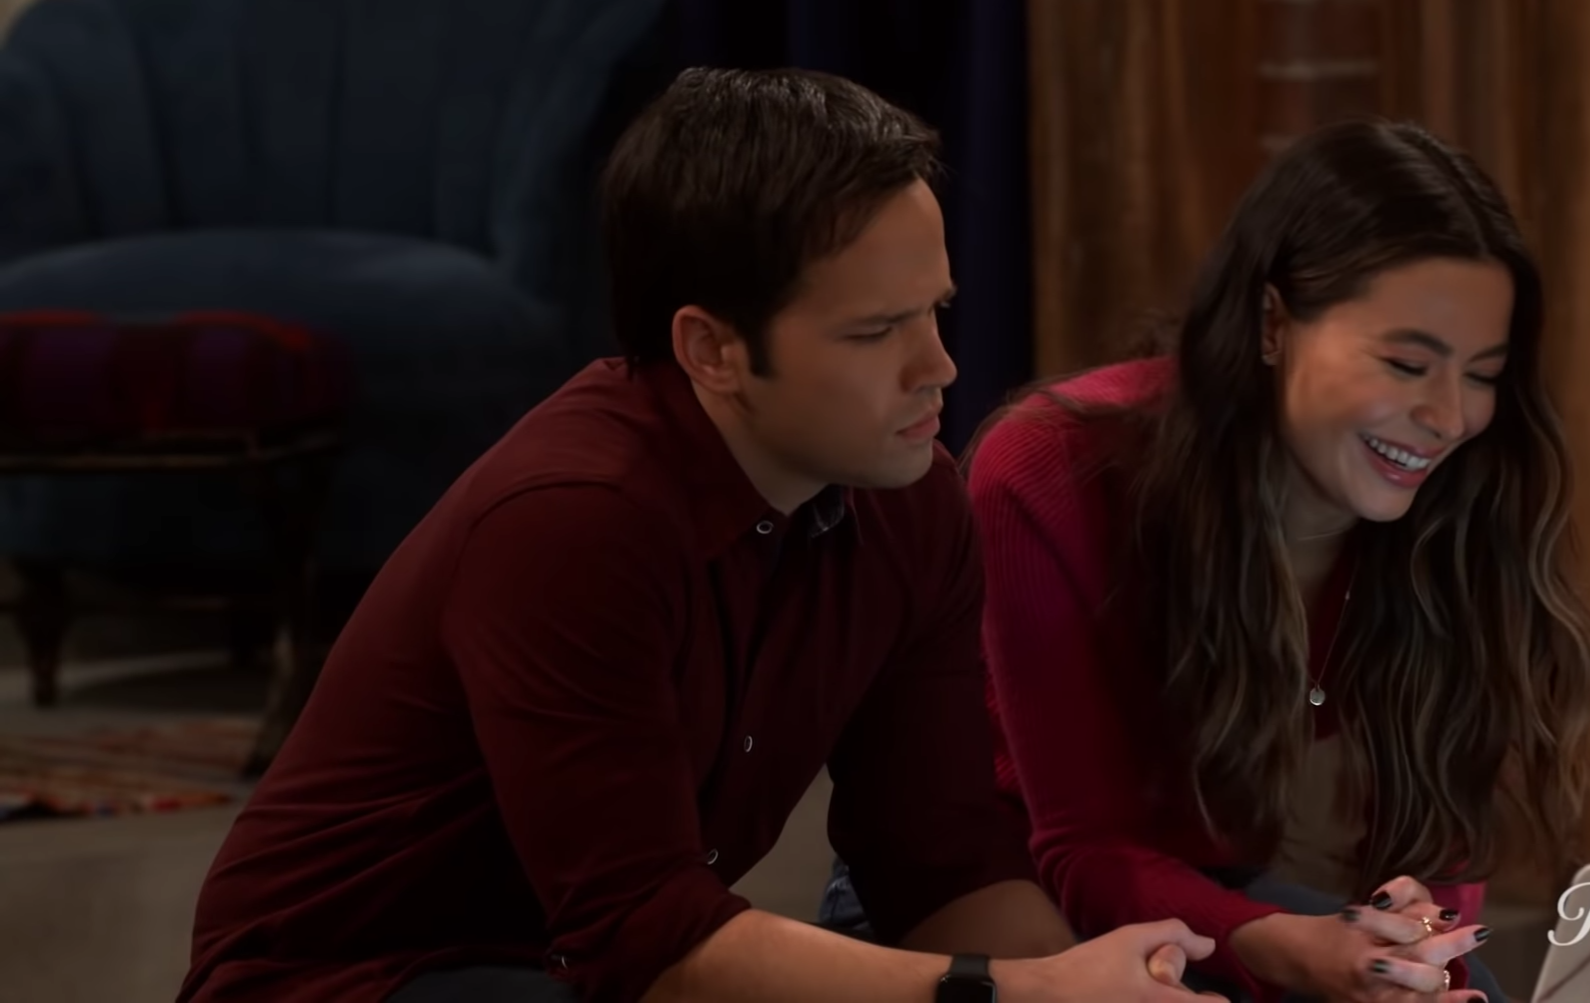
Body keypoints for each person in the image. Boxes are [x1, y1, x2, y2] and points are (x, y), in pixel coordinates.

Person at [176, 68, 1223, 1003]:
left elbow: (942, 864)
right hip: (349, 975)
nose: (938, 367)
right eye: (875, 331)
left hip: (587, 968)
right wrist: (1015, 994)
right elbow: (646, 942)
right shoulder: (574, 521)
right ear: (712, 349)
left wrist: (1078, 990)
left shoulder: (910, 498)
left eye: (935, 311)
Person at [822, 118, 1590, 1002]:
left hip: (1219, 897)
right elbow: (1083, 848)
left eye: (1483, 374)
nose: (1449, 417)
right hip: (993, 902)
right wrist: (1291, 950)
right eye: (1405, 363)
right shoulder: (1053, 467)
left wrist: (1416, 941)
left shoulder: (1465, 497)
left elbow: (1441, 834)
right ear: (1273, 324)